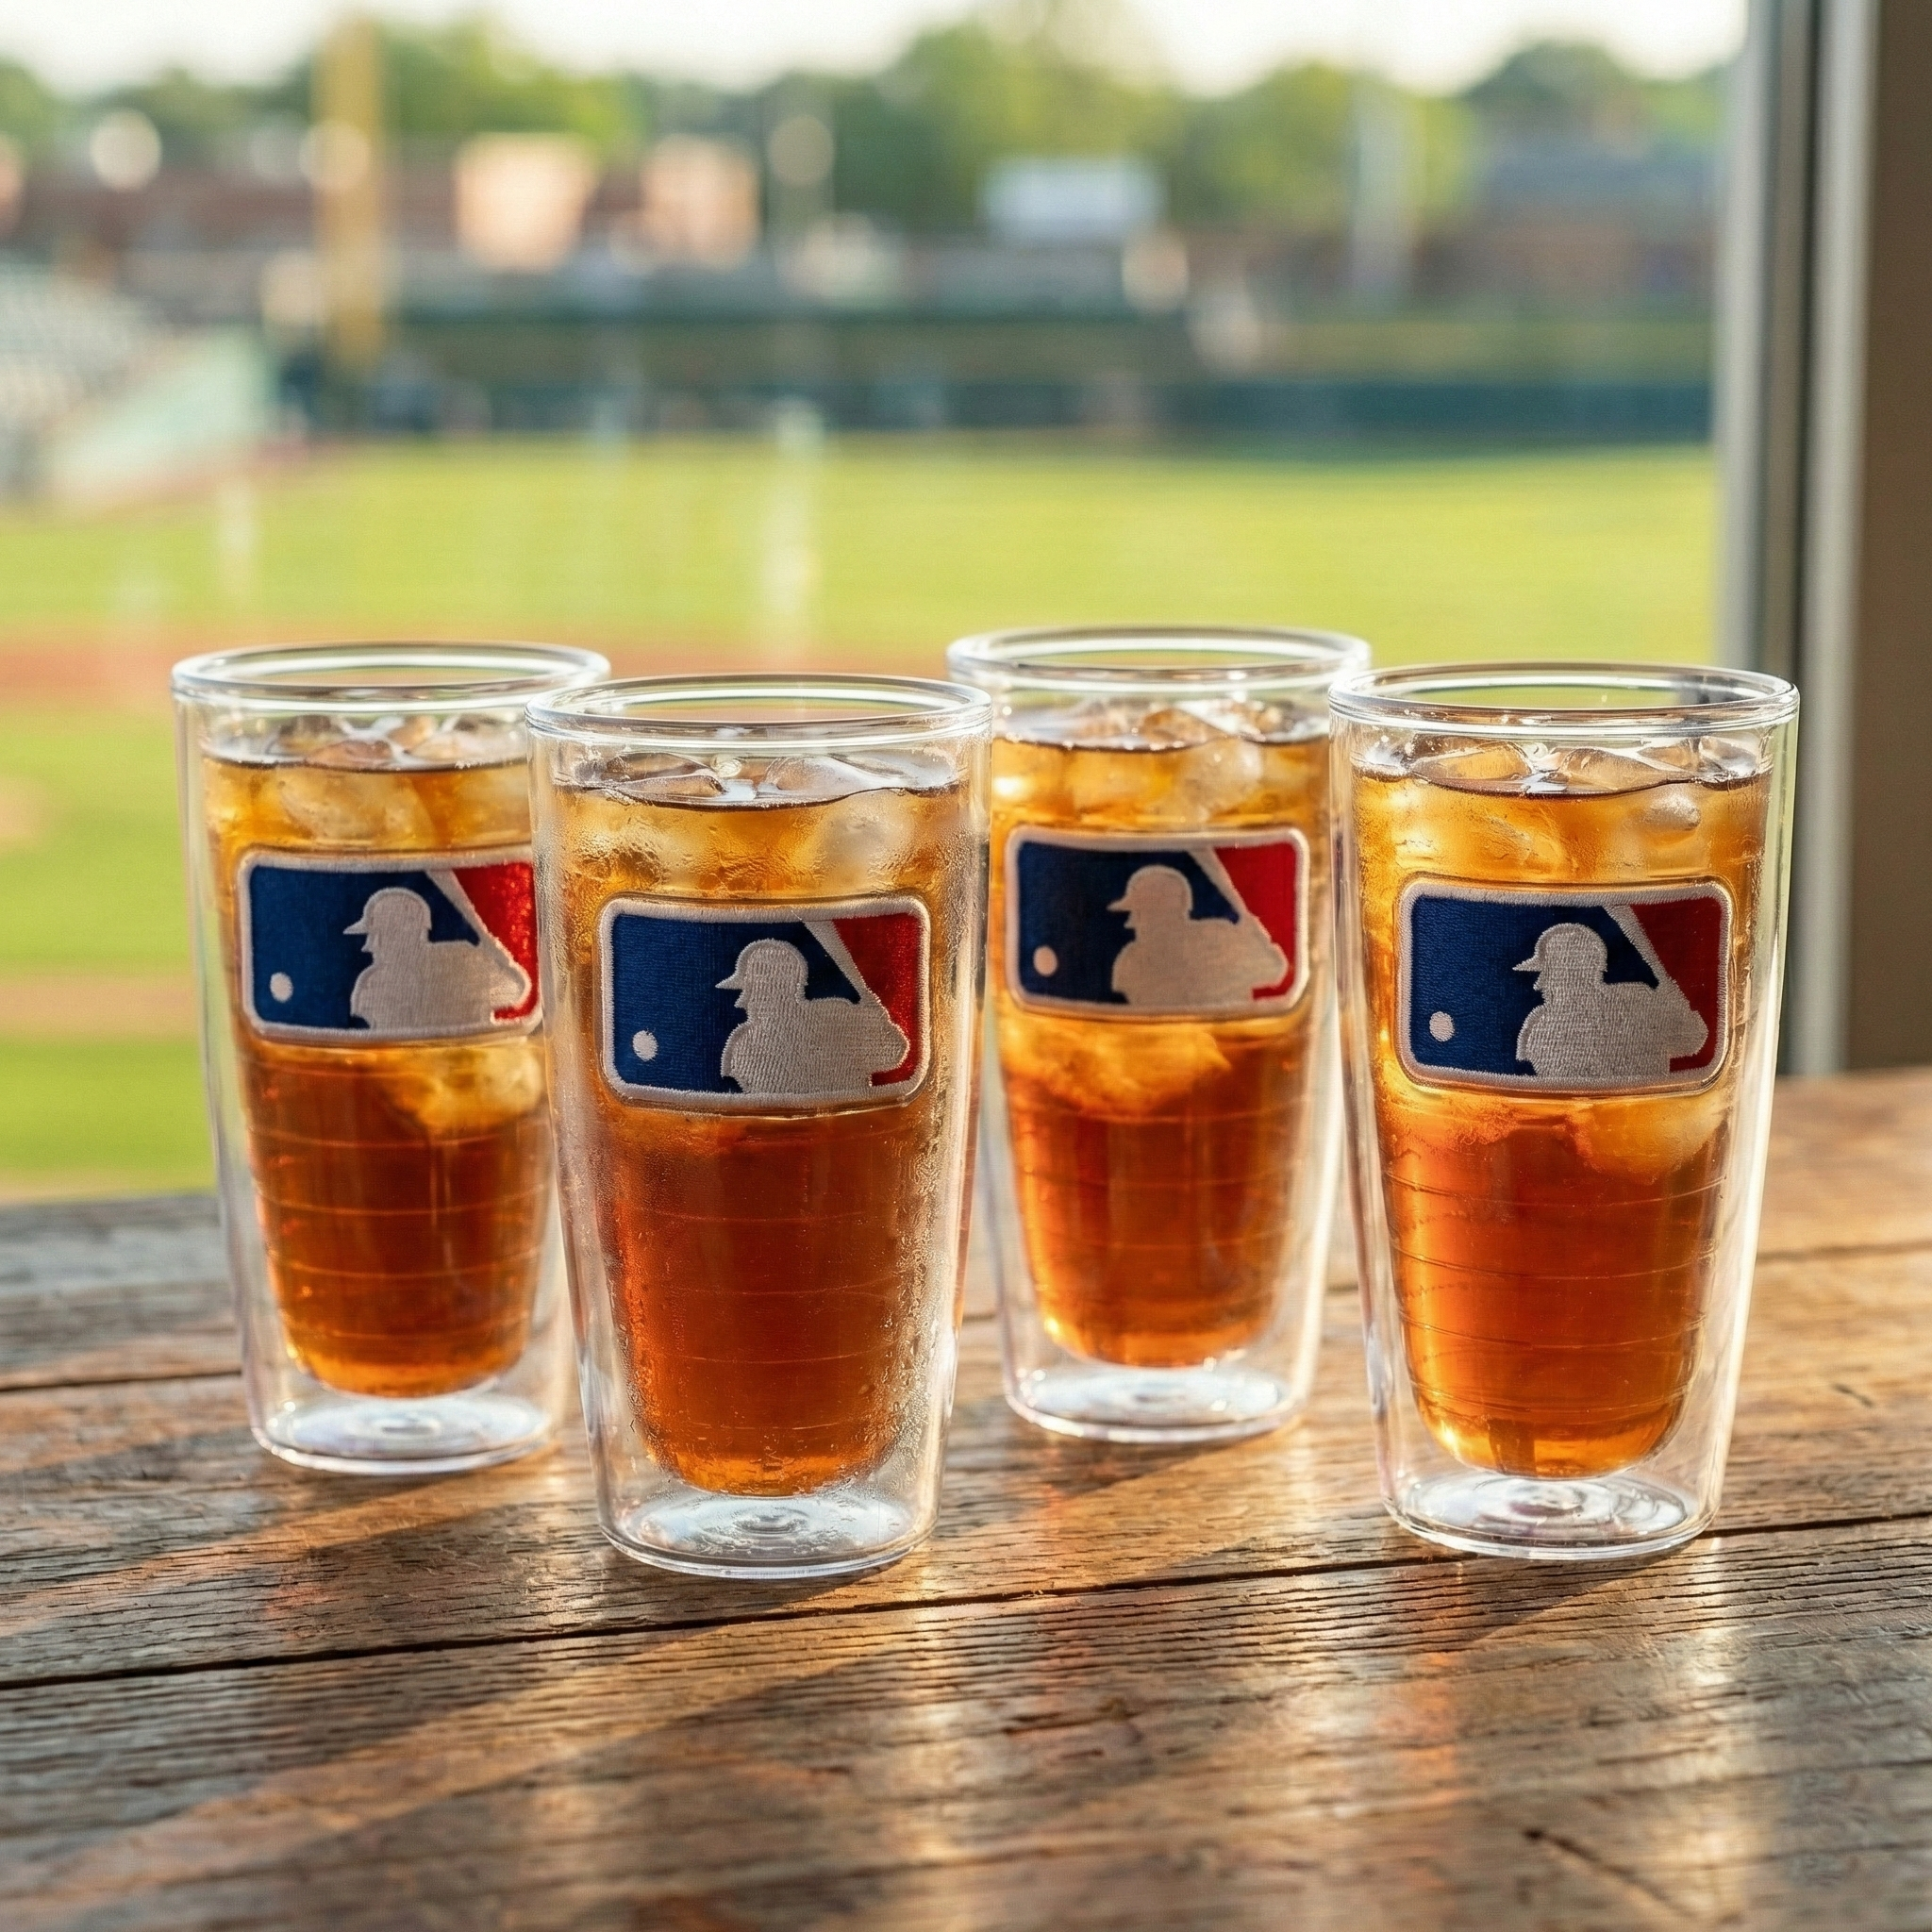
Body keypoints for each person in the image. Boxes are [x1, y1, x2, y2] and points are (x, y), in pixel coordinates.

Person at [1514, 922, 1707, 1081]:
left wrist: (1677, 1007)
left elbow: (1692, 1038)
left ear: (1572, 974)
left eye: (1547, 973)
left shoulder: (1543, 1029)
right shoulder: (1640, 1000)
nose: (1539, 984)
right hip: (1649, 1111)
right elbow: (1692, 1039)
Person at [718, 938, 908, 1098]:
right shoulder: (840, 1018)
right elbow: (891, 1053)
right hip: (845, 1125)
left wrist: (876, 1022)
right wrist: (876, 1021)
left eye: (750, 991)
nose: (742, 1002)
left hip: (846, 1126)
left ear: (772, 991)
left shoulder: (746, 1045)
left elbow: (891, 1053)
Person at [345, 886, 528, 1033]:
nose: (368, 946)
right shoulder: (374, 982)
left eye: (378, 936)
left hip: (472, 1063)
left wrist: (496, 953)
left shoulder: (463, 961)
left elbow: (514, 991)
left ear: (404, 934)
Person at [1108, 864, 1287, 1009]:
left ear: (1164, 914)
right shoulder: (1132, 960)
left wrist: (1255, 939)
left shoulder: (1218, 937)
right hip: (1162, 1042)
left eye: (1141, 912)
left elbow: (1274, 970)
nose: (1134, 922)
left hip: (1233, 1040)